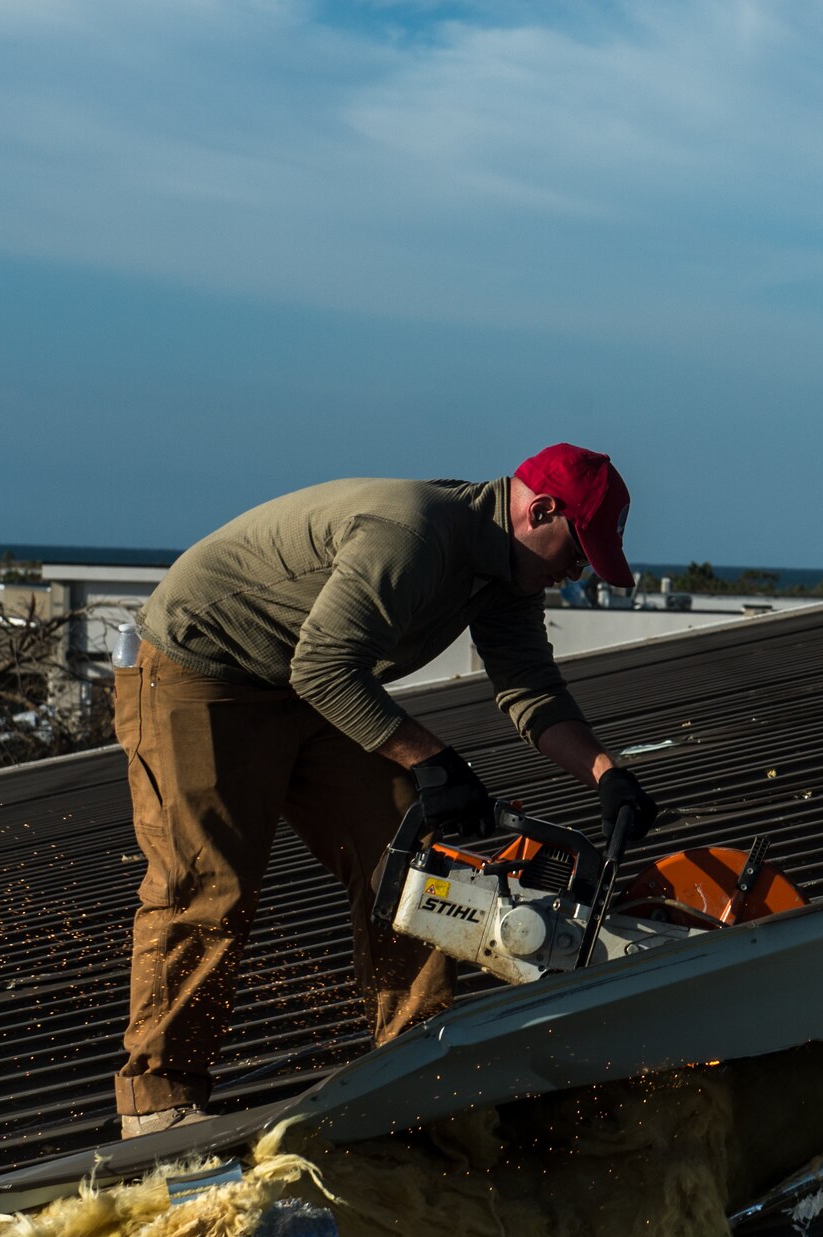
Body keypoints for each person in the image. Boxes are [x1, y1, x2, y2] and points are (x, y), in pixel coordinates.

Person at [112, 444, 661, 1137]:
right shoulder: (416, 534)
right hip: (203, 670)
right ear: (540, 510)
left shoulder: (506, 576)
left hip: (301, 683)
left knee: (415, 865)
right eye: (576, 549)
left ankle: (415, 1071)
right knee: (208, 884)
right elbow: (324, 668)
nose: (575, 571)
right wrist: (433, 760)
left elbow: (529, 689)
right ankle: (158, 1102)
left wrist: (607, 776)